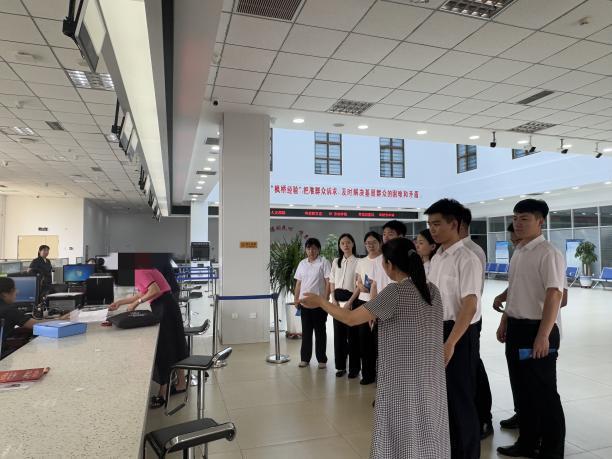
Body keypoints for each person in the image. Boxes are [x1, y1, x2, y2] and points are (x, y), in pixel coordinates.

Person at [301, 238, 450, 459]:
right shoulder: (432, 291)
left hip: (400, 377)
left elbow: (350, 318)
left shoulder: (394, 292)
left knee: (400, 426)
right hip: (430, 376)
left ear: (389, 265)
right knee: (427, 423)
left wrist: (322, 302)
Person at [496, 199, 566, 459]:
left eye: (524, 218)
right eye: (515, 218)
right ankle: (527, 442)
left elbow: (555, 294)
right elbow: (516, 289)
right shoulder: (520, 251)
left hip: (537, 329)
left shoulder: (548, 253)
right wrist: (505, 319)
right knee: (523, 391)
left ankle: (552, 450)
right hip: (517, 327)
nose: (518, 223)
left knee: (544, 394)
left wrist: (543, 336)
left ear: (540, 221)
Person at [425, 198, 482, 459]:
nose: (432, 229)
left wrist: (450, 343)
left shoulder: (467, 259)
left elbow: (469, 305)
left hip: (458, 333)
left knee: (461, 398)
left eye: (437, 224)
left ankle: (468, 453)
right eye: (430, 224)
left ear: (455, 224)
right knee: (443, 398)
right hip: (436, 329)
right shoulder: (437, 257)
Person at [109, 268, 188, 408]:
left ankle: (163, 392)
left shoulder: (139, 271)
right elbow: (143, 292)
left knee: (164, 348)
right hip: (167, 304)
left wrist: (136, 303)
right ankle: (181, 383)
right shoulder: (141, 268)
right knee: (174, 344)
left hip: (163, 305)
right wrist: (121, 302)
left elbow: (154, 290)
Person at [459, 207, 493, 440]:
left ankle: (483, 418)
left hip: (468, 321)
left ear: (458, 225)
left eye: (438, 224)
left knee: (473, 369)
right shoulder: (443, 253)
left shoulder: (472, 252)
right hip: (449, 322)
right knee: (463, 372)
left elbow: (473, 295)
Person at [0, 277, 69, 357]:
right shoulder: (8, 310)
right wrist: (59, 320)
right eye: (14, 289)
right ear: (4, 294)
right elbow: (35, 324)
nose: (17, 292)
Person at [346, 231, 382, 385]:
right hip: (363, 303)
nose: (370, 245)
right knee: (364, 340)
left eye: (373, 242)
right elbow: (358, 281)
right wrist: (361, 286)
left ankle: (382, 376)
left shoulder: (385, 260)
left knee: (379, 342)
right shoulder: (362, 261)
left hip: (380, 302)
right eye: (367, 243)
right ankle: (368, 374)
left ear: (380, 243)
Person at [294, 238, 331, 369]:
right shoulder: (302, 263)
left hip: (319, 304)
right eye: (309, 248)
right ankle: (305, 359)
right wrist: (296, 298)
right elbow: (298, 283)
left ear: (318, 249)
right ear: (306, 250)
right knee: (306, 333)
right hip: (304, 304)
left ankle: (322, 360)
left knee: (320, 333)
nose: (311, 251)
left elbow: (328, 282)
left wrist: (325, 300)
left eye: (314, 248)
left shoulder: (324, 262)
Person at [329, 233, 359, 378]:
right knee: (339, 336)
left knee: (352, 336)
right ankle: (340, 366)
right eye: (342, 243)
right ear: (339, 246)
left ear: (353, 244)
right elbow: (332, 281)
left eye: (348, 242)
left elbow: (358, 286)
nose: (345, 245)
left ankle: (354, 368)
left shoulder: (359, 261)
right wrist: (333, 299)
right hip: (337, 301)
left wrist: (349, 302)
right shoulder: (336, 261)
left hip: (351, 300)